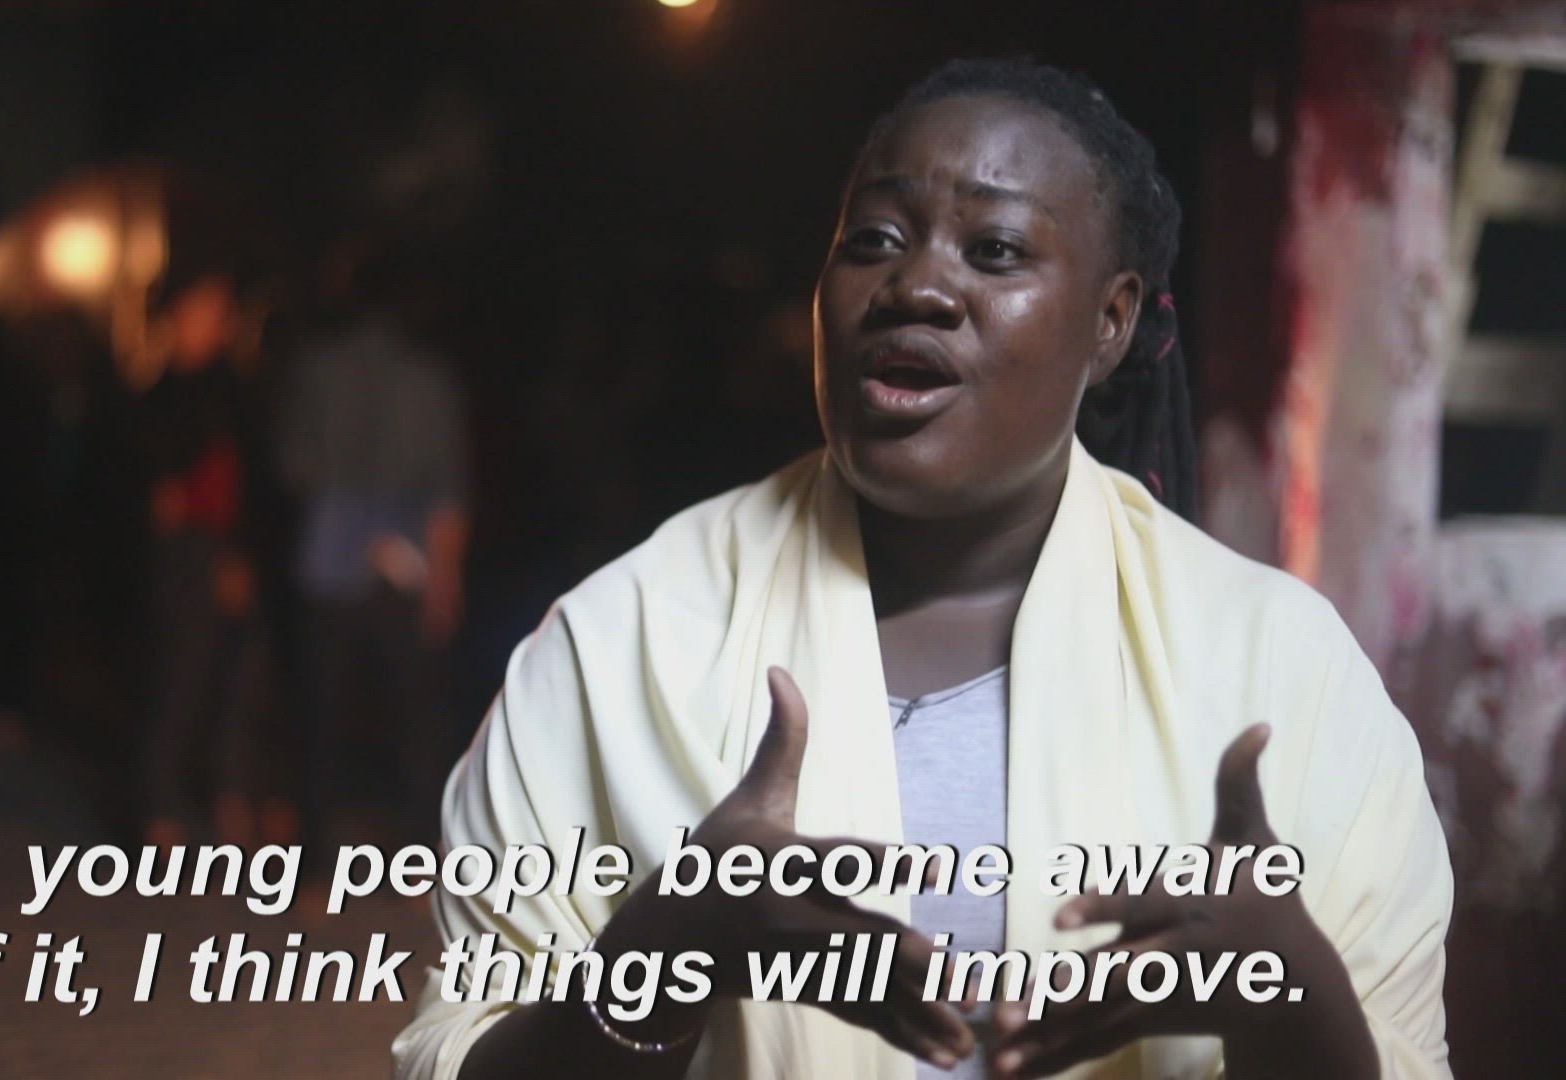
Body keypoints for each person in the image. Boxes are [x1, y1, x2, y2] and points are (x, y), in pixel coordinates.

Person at [393, 60, 1450, 1080]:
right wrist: (663, 959)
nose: (917, 284)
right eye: (875, 240)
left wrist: (1292, 999)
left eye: (995, 250)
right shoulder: (621, 644)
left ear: (1111, 320)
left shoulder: (1280, 670)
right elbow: (454, 1054)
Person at [277, 250, 472, 853]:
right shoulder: (431, 381)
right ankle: (418, 849)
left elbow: (293, 467)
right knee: (416, 716)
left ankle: (314, 852)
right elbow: (446, 492)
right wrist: (444, 581)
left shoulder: (315, 371)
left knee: (322, 712)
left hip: (329, 551)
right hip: (405, 554)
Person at [137, 272, 282, 848]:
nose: (210, 325)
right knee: (180, 676)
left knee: (241, 681)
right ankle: (161, 807)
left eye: (219, 313)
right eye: (200, 310)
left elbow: (254, 479)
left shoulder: (238, 393)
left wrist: (242, 553)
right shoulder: (162, 392)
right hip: (182, 555)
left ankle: (231, 798)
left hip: (230, 548)